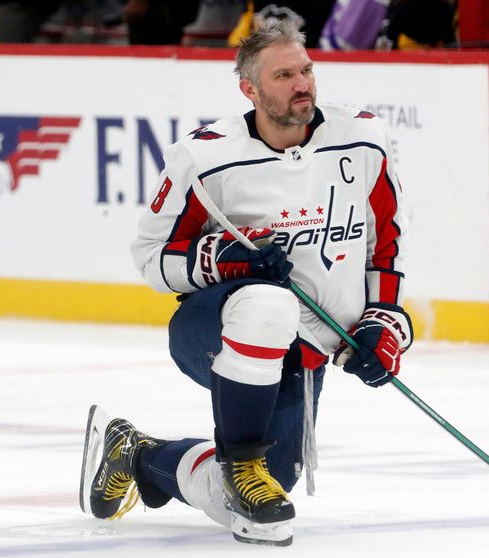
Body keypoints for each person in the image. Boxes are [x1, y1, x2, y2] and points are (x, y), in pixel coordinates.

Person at [79, 19, 412, 546]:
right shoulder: (206, 158)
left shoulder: (363, 141)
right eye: (284, 75)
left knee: (268, 489)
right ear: (250, 89)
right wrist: (229, 259)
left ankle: (136, 453)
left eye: (305, 70)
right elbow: (151, 257)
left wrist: (384, 323)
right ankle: (242, 462)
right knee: (266, 304)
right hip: (212, 331)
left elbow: (384, 244)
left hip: (302, 354)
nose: (302, 83)